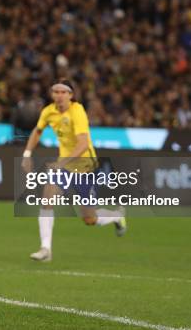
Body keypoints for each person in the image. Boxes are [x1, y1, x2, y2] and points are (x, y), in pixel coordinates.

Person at [21, 79, 126, 262]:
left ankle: (116, 216)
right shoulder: (48, 112)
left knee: (89, 219)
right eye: (56, 91)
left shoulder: (77, 112)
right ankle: (46, 248)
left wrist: (61, 164)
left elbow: (83, 144)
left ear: (71, 95)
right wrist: (27, 153)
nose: (59, 95)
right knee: (48, 194)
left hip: (85, 167)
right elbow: (37, 131)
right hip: (64, 166)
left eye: (63, 92)